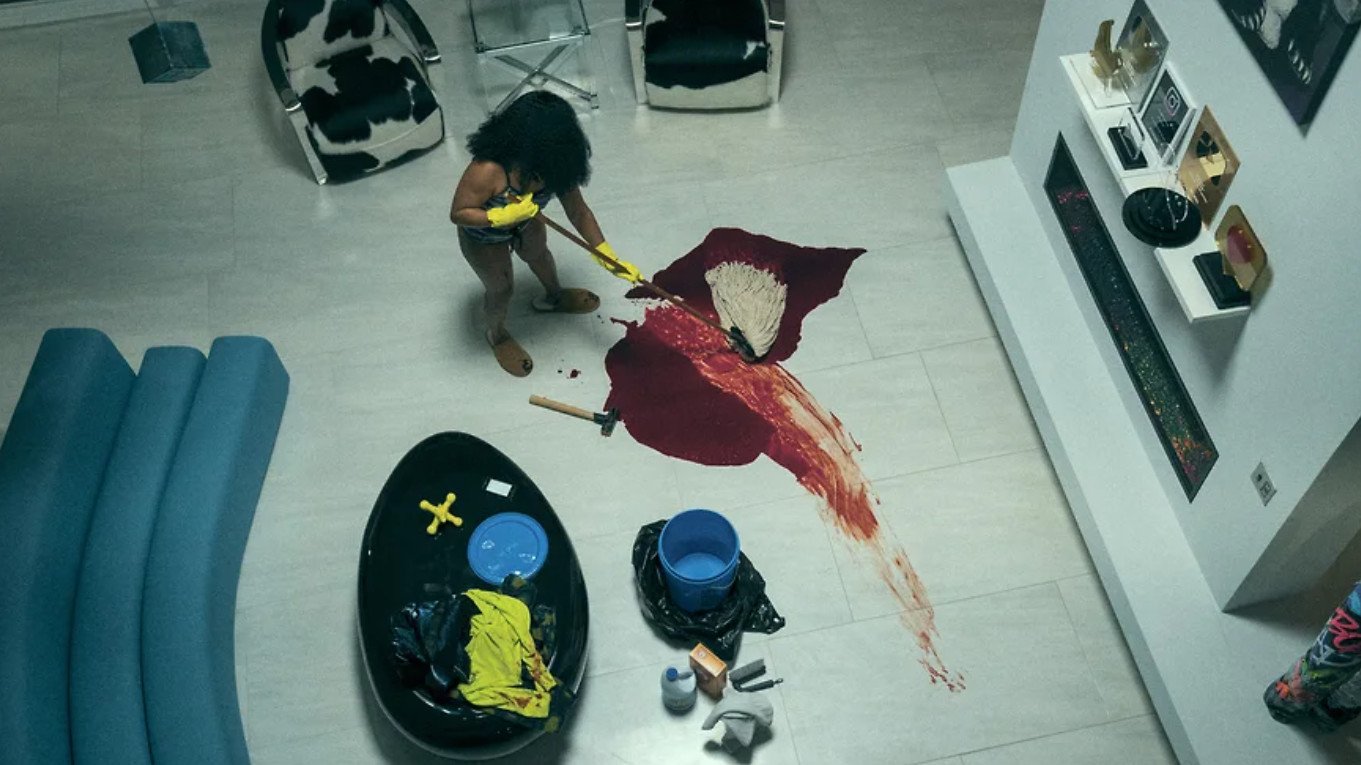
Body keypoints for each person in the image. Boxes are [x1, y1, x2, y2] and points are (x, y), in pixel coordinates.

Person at [450, 91, 641, 377]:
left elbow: (578, 211)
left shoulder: (556, 165)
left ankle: (554, 296)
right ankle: (497, 335)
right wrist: (496, 217)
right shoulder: (488, 169)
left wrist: (605, 253)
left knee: (540, 255)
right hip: (484, 236)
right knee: (501, 288)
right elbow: (459, 212)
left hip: (527, 222)